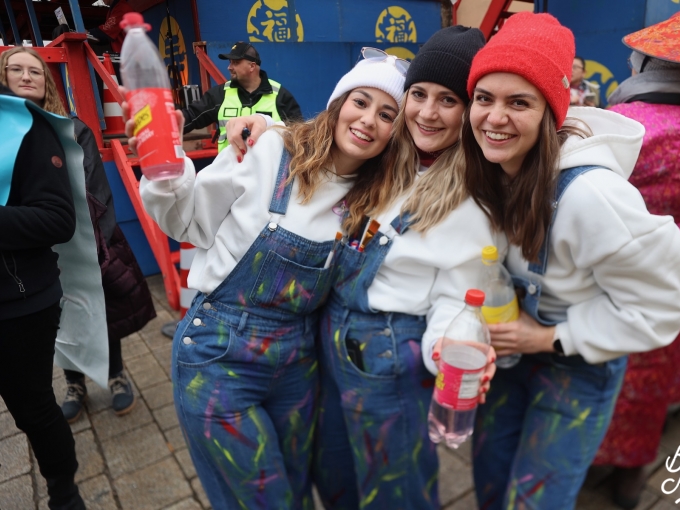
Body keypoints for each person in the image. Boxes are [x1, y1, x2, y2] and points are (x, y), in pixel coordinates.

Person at [132, 56, 404, 509]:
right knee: (263, 500)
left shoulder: (376, 195)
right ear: (339, 103)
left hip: (298, 363)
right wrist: (165, 167)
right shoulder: (271, 150)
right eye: (361, 102)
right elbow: (187, 222)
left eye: (387, 114)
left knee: (294, 492)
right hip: (219, 354)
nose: (368, 120)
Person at [461, 12, 680, 510]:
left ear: (552, 109)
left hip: (578, 365)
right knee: (491, 483)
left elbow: (660, 308)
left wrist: (546, 337)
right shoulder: (485, 170)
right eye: (484, 98)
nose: (494, 118)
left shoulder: (593, 196)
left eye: (518, 102)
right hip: (507, 357)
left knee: (534, 502)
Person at [311, 29, 496, 510]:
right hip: (329, 344)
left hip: (389, 358)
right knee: (334, 473)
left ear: (469, 110)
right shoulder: (384, 160)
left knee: (396, 489)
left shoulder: (472, 198)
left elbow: (460, 296)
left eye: (448, 100)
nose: (428, 112)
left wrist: (445, 349)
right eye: (419, 94)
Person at [592, 12, 680, 509]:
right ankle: (632, 472)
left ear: (645, 63)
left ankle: (590, 455)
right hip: (673, 264)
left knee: (603, 362)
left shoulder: (623, 123)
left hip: (611, 267)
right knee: (651, 367)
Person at [0, 46, 157, 423]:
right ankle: (74, 383)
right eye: (16, 69)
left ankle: (115, 374)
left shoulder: (72, 129)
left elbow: (96, 188)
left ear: (47, 82)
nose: (26, 76)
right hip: (33, 248)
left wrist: (98, 245)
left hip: (88, 240)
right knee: (61, 320)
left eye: (35, 71)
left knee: (102, 311)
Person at [0, 81, 84, 508]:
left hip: (18, 303)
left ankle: (64, 494)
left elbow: (58, 218)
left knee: (33, 408)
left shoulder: (21, 123)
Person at [181, 41, 302, 151]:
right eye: (230, 62)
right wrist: (174, 120)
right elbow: (191, 117)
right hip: (231, 167)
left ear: (252, 66)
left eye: (236, 63)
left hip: (267, 168)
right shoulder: (219, 95)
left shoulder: (280, 96)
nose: (229, 67)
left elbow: (299, 136)